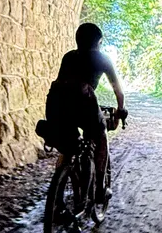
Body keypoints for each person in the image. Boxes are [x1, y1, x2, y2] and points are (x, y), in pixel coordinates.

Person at [42, 22, 127, 204]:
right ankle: (99, 190)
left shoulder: (69, 57)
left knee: (68, 145)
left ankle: (58, 197)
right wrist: (121, 110)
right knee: (100, 135)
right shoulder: (103, 59)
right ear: (99, 42)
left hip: (56, 103)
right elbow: (118, 90)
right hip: (83, 102)